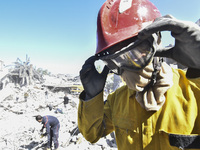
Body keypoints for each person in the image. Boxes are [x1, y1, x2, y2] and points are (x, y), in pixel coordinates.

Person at [78, 0, 200, 149]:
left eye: (136, 52)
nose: (127, 67)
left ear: (157, 41)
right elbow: (92, 134)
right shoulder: (117, 100)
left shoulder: (194, 91)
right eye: (115, 60)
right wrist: (92, 96)